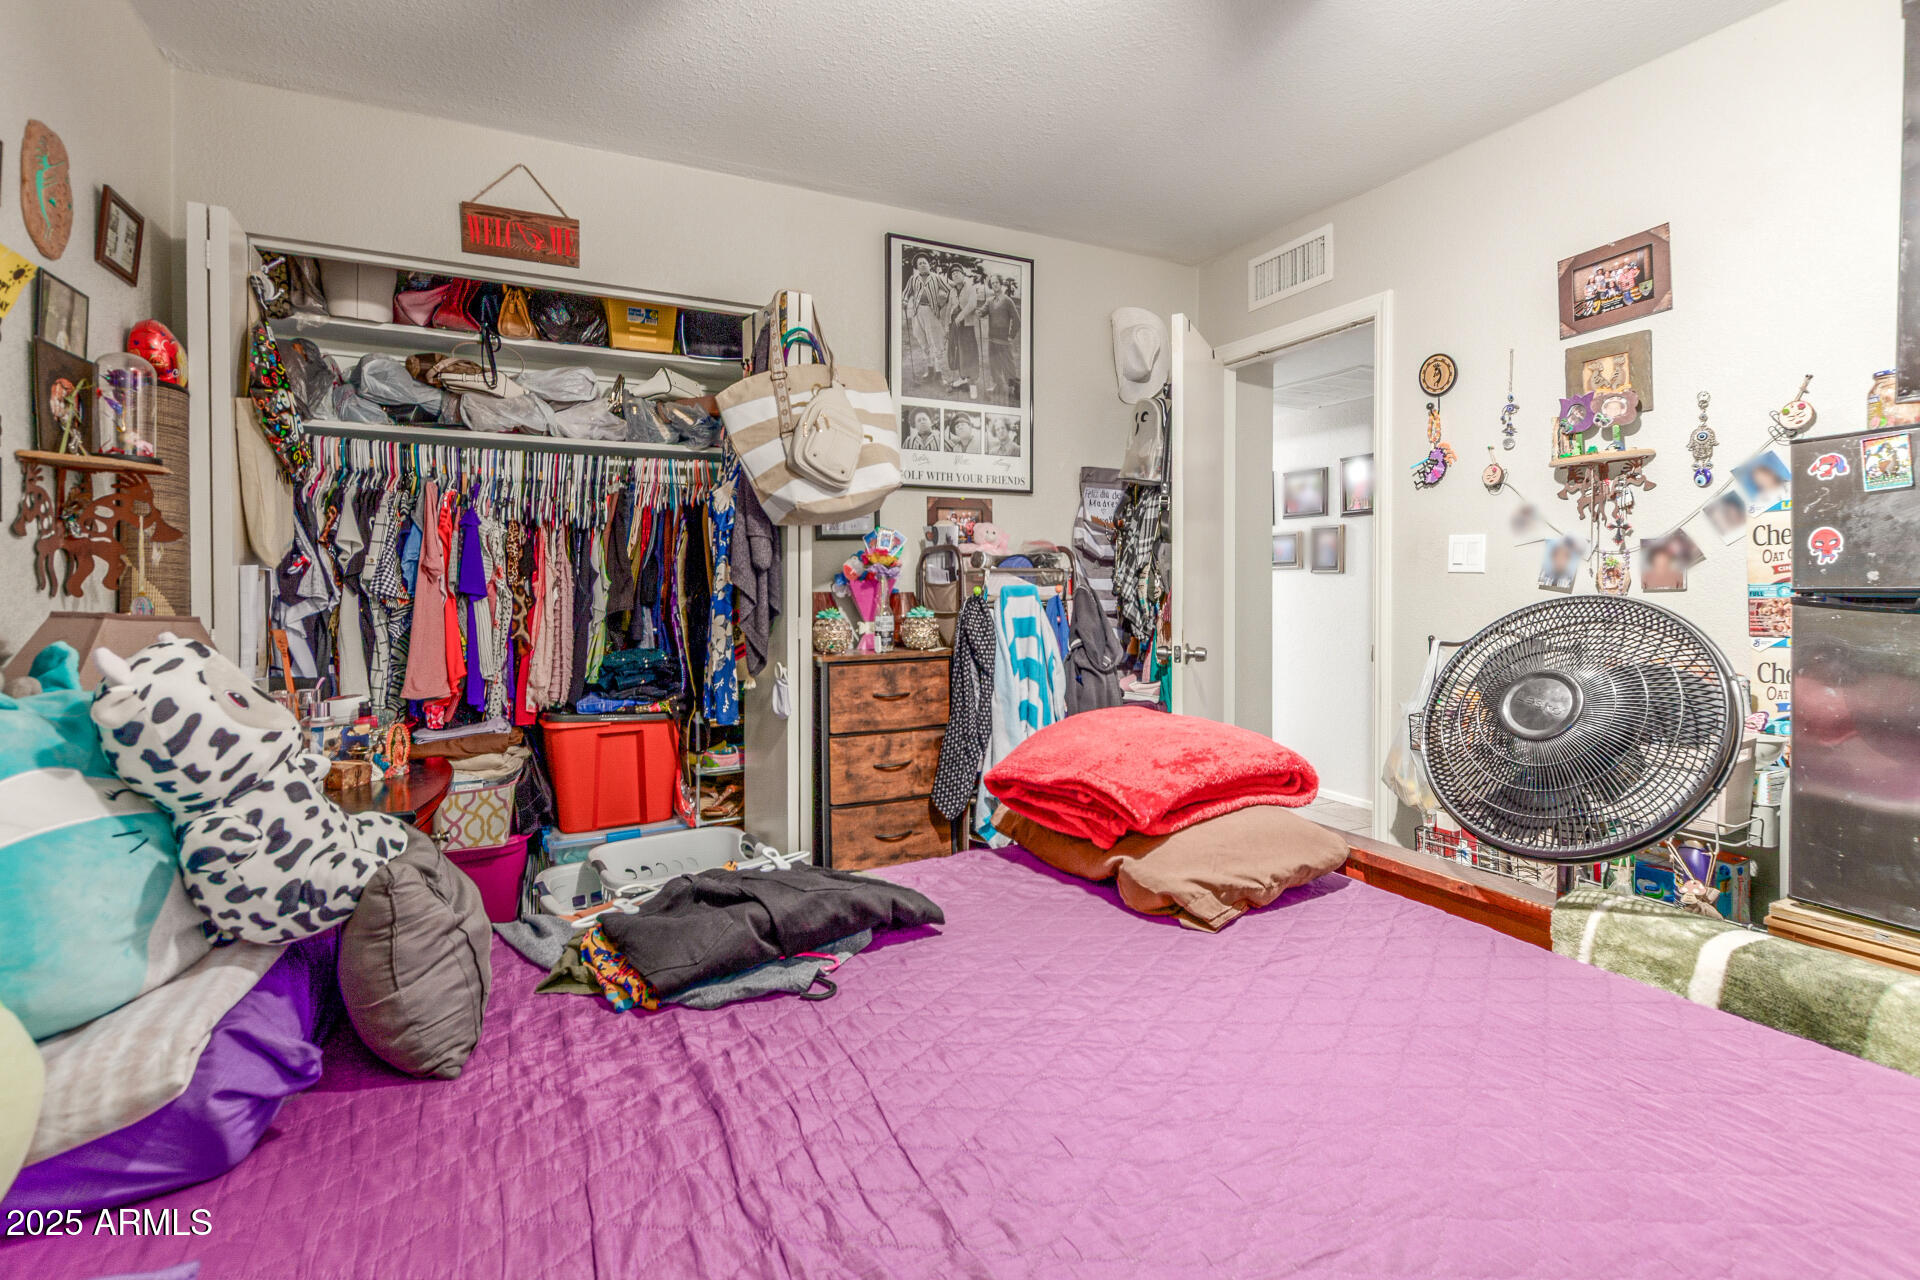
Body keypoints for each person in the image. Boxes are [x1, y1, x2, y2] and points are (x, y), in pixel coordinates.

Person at [902, 255, 949, 386]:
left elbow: (949, 291)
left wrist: (942, 303)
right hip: (917, 313)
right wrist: (905, 301)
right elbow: (906, 292)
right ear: (917, 267)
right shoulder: (913, 278)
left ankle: (939, 374)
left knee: (936, 343)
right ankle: (930, 371)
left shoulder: (936, 277)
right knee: (923, 343)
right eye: (920, 263)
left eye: (925, 263)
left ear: (929, 264)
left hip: (931, 312)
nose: (922, 265)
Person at [944, 265, 981, 397]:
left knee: (969, 353)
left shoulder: (970, 288)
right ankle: (962, 378)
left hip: (967, 325)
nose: (955, 274)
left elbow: (972, 305)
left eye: (957, 272)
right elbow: (949, 309)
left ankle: (972, 384)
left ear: (963, 274)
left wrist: (959, 318)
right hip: (954, 325)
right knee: (957, 351)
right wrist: (947, 326)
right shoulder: (952, 291)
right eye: (952, 273)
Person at [984, 275, 1021, 407]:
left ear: (1001, 284)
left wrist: (1011, 335)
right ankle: (998, 386)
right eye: (992, 283)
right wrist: (978, 312)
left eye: (997, 282)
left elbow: (1017, 320)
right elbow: (983, 311)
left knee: (1008, 366)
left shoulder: (1007, 301)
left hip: (1004, 340)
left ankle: (1015, 389)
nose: (994, 285)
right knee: (994, 365)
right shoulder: (989, 300)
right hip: (992, 339)